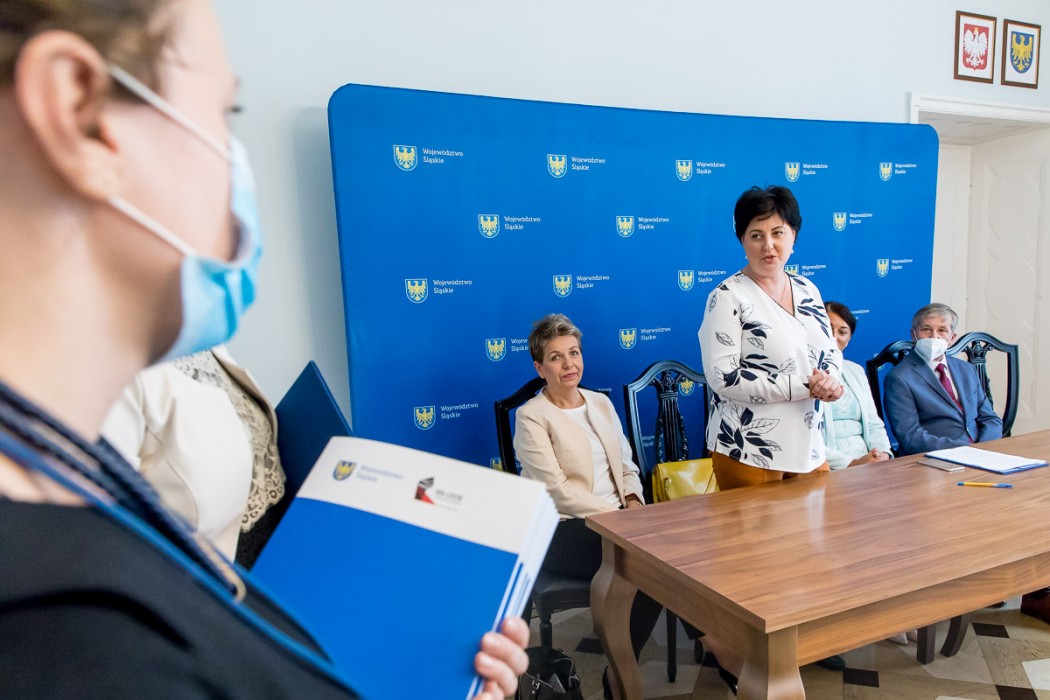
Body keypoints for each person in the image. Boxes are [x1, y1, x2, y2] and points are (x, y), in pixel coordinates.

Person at [0, 2, 526, 697]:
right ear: (77, 108)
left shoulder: (62, 490)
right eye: (227, 112)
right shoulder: (69, 645)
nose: (236, 167)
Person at [698, 185, 845, 682]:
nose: (768, 245)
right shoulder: (727, 297)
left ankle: (797, 643)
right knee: (752, 566)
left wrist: (831, 381)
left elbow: (829, 353)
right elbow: (723, 377)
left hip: (808, 444)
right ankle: (731, 649)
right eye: (756, 234)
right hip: (748, 448)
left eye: (778, 233)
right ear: (741, 239)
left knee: (808, 550)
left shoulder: (808, 289)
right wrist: (801, 384)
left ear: (794, 235)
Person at [513, 313, 661, 700]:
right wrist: (619, 520)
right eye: (556, 357)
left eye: (574, 353)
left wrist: (633, 502)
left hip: (621, 522)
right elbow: (558, 492)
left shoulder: (601, 402)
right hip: (565, 529)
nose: (569, 364)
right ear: (540, 368)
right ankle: (626, 672)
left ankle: (619, 671)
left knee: (664, 567)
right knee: (652, 565)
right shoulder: (531, 417)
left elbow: (627, 465)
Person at [102, 345, 286, 566]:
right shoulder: (114, 373)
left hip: (280, 547)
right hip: (204, 575)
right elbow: (110, 526)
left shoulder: (202, 344)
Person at [883, 303, 1003, 456]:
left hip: (982, 452)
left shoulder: (966, 369)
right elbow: (911, 436)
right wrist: (966, 451)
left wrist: (984, 448)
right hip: (933, 458)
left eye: (942, 330)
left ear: (952, 338)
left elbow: (990, 418)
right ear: (914, 335)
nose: (934, 336)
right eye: (926, 329)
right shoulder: (899, 377)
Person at [822, 301, 892, 469]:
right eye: (828, 328)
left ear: (849, 339)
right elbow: (803, 440)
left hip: (868, 464)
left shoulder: (855, 370)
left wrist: (883, 453)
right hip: (827, 468)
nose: (834, 336)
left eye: (842, 332)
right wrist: (851, 463)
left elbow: (874, 423)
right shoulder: (800, 372)